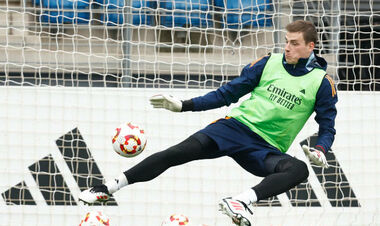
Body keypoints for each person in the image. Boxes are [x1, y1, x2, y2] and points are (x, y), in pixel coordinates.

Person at [79, 20, 337, 226]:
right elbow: (228, 93)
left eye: (294, 43)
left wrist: (321, 149)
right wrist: (184, 105)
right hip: (235, 127)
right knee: (178, 153)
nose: (287, 48)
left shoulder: (321, 82)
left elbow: (327, 126)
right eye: (286, 42)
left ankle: (240, 201)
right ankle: (107, 188)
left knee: (298, 169)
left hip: (266, 148)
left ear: (310, 47)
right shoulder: (268, 63)